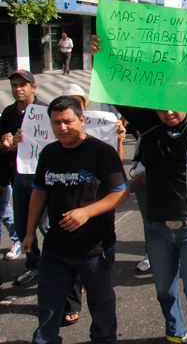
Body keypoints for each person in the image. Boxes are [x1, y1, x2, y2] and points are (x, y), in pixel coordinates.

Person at [92, 34, 187, 343]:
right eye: (162, 107)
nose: (168, 112)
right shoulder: (147, 123)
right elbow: (116, 87)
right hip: (156, 227)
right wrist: (101, 57)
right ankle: (175, 333)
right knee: (164, 290)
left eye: (175, 106)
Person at [21, 96, 129, 343]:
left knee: (101, 303)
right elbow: (39, 193)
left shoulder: (102, 152)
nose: (62, 128)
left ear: (81, 119)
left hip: (94, 249)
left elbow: (122, 193)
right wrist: (29, 233)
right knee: (48, 306)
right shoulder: (49, 152)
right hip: (55, 248)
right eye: (56, 123)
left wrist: (86, 212)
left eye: (68, 121)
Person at [0, 70, 48, 285]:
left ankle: (64, 267)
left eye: (23, 85)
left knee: (48, 226)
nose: (18, 89)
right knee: (22, 226)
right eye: (14, 85)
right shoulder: (8, 114)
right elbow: (4, 147)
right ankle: (33, 265)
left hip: (45, 178)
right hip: (19, 176)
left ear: (33, 88)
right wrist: (9, 145)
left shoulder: (46, 111)